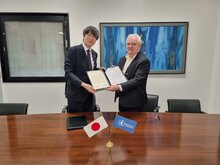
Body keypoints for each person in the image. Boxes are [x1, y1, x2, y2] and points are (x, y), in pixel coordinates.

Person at [107, 34, 150, 111]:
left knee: (135, 123)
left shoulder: (143, 61)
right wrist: (106, 72)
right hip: (122, 100)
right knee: (122, 122)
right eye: (128, 44)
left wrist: (118, 87)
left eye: (133, 44)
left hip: (135, 103)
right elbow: (119, 76)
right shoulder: (122, 59)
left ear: (139, 46)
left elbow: (137, 80)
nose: (130, 46)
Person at [64, 26, 99, 112]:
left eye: (94, 37)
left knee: (90, 122)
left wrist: (99, 70)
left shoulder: (94, 54)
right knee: (76, 123)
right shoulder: (73, 51)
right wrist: (83, 84)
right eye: (89, 35)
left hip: (90, 95)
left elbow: (90, 71)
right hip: (76, 94)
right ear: (84, 36)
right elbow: (68, 73)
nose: (91, 38)